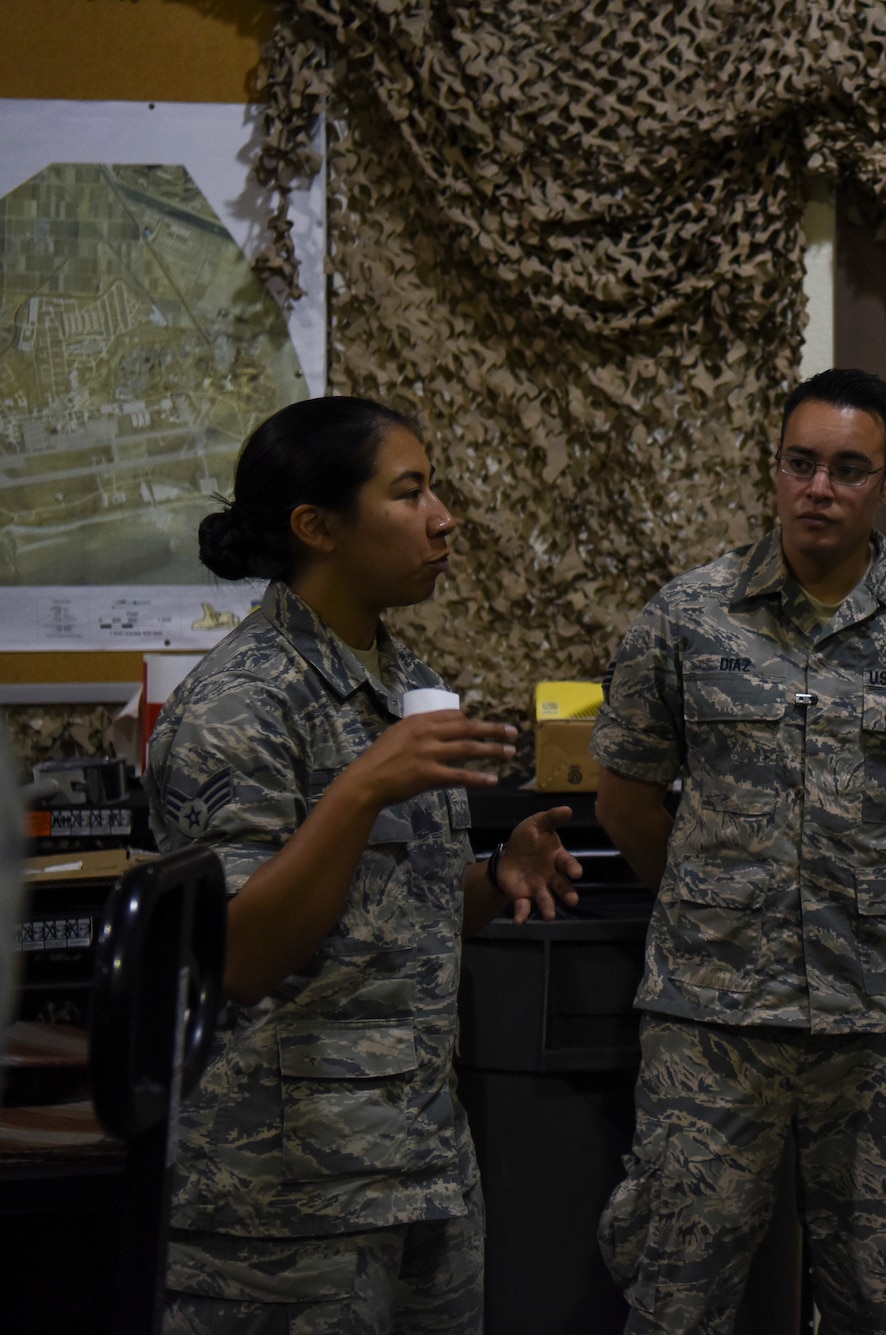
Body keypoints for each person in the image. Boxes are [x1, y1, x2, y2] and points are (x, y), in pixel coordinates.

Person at [591, 367, 886, 1333]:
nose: (819, 488)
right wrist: (710, 898)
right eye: (800, 464)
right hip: (712, 1021)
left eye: (848, 468)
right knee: (675, 1289)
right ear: (776, 468)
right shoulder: (687, 617)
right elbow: (622, 798)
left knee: (879, 1295)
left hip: (881, 1026)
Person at [147, 396, 583, 1334]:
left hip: (420, 1166)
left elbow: (384, 911)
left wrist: (490, 877)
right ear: (317, 527)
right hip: (285, 1203)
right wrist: (357, 791)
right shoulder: (239, 704)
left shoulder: (398, 677)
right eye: (410, 491)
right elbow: (238, 957)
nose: (444, 516)